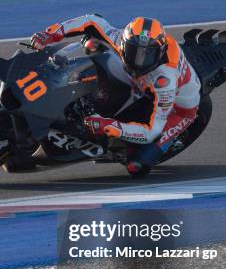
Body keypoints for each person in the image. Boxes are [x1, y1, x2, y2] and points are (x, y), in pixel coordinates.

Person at [30, 15, 202, 174]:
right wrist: (52, 34)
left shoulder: (165, 80)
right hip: (139, 82)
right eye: (134, 51)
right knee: (92, 45)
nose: (139, 61)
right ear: (124, 42)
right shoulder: (118, 38)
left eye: (147, 55)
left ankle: (159, 145)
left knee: (137, 166)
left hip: (179, 109)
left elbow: (152, 131)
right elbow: (91, 20)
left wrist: (108, 126)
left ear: (160, 51)